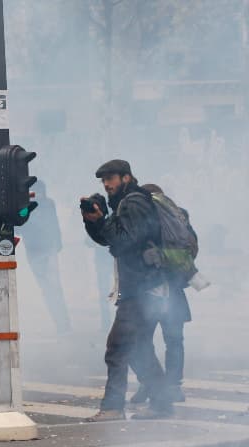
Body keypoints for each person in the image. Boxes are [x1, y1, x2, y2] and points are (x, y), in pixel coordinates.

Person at [81, 159, 172, 421]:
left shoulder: (134, 202)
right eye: (104, 180)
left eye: (111, 179)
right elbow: (111, 238)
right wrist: (93, 221)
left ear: (126, 177)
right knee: (139, 348)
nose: (107, 184)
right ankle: (163, 402)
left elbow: (123, 241)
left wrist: (103, 221)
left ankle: (112, 407)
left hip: (141, 290)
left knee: (118, 348)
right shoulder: (126, 203)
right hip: (143, 289)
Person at [128, 183, 191, 406]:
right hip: (173, 289)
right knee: (174, 340)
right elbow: (190, 250)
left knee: (141, 340)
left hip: (150, 290)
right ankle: (172, 385)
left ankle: (150, 383)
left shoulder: (142, 218)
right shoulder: (178, 216)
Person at [20, 180, 71, 334]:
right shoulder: (25, 207)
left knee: (54, 287)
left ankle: (63, 324)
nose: (37, 195)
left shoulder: (49, 204)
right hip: (33, 250)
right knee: (47, 288)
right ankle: (61, 323)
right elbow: (18, 225)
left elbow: (54, 224)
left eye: (40, 191)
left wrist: (57, 244)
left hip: (48, 250)